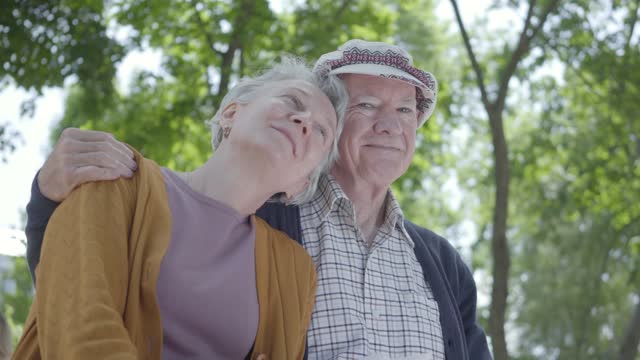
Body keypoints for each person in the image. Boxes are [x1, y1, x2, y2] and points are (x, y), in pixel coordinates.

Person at [24, 39, 492, 359]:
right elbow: (78, 285)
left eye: (406, 109)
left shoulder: (443, 264)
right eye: (366, 106)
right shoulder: (261, 212)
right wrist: (47, 198)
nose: (390, 123)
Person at [12, 57, 347, 359]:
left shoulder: (296, 271)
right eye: (292, 101)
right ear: (232, 113)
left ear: (301, 184)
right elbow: (80, 330)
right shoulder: (114, 177)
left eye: (321, 131)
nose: (304, 120)